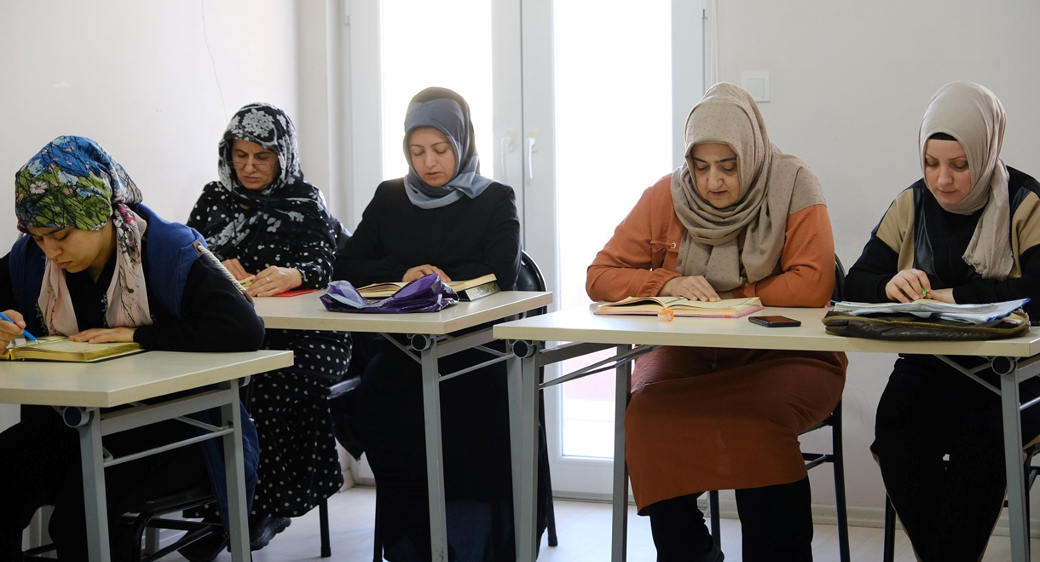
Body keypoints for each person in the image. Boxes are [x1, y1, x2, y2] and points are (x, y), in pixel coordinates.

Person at [586, 83, 847, 562]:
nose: (713, 182)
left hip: (789, 356)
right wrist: (667, 282)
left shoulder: (794, 183)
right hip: (691, 353)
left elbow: (813, 284)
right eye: (701, 166)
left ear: (751, 152)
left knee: (756, 418)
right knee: (646, 414)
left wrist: (734, 297)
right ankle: (692, 552)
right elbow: (600, 275)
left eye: (728, 166)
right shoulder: (668, 194)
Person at [0, 136, 265, 560]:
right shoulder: (31, 259)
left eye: (60, 235)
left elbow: (243, 328)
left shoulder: (168, 251)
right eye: (37, 237)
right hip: (79, 425)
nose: (51, 251)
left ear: (98, 213)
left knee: (80, 516)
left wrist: (138, 335)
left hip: (180, 428)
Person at [335, 86, 548, 561]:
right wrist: (403, 273)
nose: (429, 163)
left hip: (478, 349)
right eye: (416, 151)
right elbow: (347, 264)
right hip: (404, 349)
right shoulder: (390, 197)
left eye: (440, 149)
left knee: (473, 405)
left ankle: (477, 542)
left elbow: (503, 273)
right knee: (377, 393)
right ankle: (412, 540)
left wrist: (443, 281)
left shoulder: (494, 199)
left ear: (462, 143)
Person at [843, 82, 1040, 561]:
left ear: (986, 152)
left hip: (1012, 377)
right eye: (931, 163)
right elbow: (853, 284)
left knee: (985, 442)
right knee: (896, 434)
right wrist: (889, 285)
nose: (942, 180)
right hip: (930, 368)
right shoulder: (911, 204)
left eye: (960, 164)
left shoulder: (1025, 202)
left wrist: (956, 297)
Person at [183, 102, 351, 556]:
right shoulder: (213, 200)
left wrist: (295, 274)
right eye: (240, 156)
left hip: (311, 336)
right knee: (207, 389)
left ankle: (263, 507)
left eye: (262, 157)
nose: (249, 167)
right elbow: (185, 254)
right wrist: (217, 263)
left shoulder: (304, 201)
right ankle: (222, 508)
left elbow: (329, 261)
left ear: (284, 156)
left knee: (266, 386)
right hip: (240, 333)